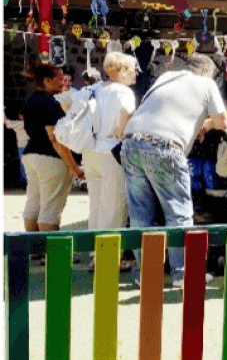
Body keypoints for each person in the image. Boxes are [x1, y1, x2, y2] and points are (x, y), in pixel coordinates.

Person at [120, 54, 227, 284]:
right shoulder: (206, 83)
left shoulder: (166, 77)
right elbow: (223, 122)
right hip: (164, 147)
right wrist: (205, 123)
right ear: (207, 71)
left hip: (130, 142)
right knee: (178, 213)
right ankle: (182, 274)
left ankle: (145, 275)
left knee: (140, 215)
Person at [84, 52, 139, 242]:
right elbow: (127, 110)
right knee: (113, 207)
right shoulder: (123, 91)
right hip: (112, 150)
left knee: (96, 206)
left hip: (91, 149)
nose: (135, 73)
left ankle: (93, 253)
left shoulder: (96, 88)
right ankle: (107, 258)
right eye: (132, 69)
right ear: (121, 70)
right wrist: (122, 130)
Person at [21, 64, 82, 233]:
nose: (63, 82)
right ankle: (50, 255)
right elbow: (55, 138)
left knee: (33, 203)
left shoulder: (31, 100)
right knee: (50, 208)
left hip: (31, 154)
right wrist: (74, 167)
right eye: (59, 79)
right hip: (50, 157)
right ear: (47, 81)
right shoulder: (49, 103)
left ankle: (33, 250)